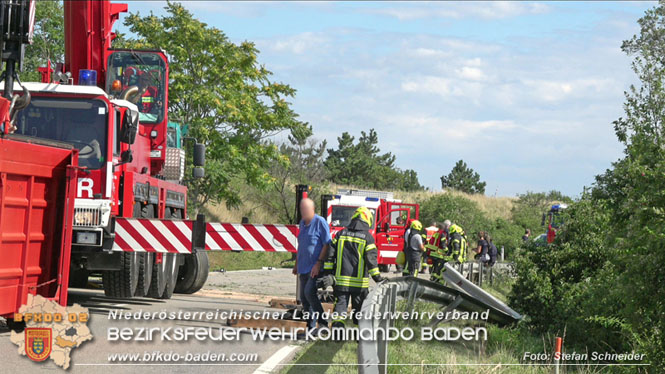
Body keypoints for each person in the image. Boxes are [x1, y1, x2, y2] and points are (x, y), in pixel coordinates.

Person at [323, 207, 384, 329]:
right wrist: (378, 278)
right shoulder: (367, 238)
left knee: (340, 310)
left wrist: (328, 273)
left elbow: (329, 256)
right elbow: (371, 261)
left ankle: (337, 333)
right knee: (359, 311)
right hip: (359, 285)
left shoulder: (340, 234)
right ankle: (359, 337)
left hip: (340, 283)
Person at [293, 198, 331, 332]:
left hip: (315, 267)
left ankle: (323, 323)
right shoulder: (302, 224)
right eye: (302, 209)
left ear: (312, 209)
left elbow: (327, 243)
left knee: (309, 293)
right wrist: (296, 264)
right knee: (304, 297)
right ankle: (310, 327)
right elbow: (301, 245)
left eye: (306, 209)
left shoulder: (320, 222)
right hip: (303, 266)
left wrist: (318, 263)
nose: (303, 212)